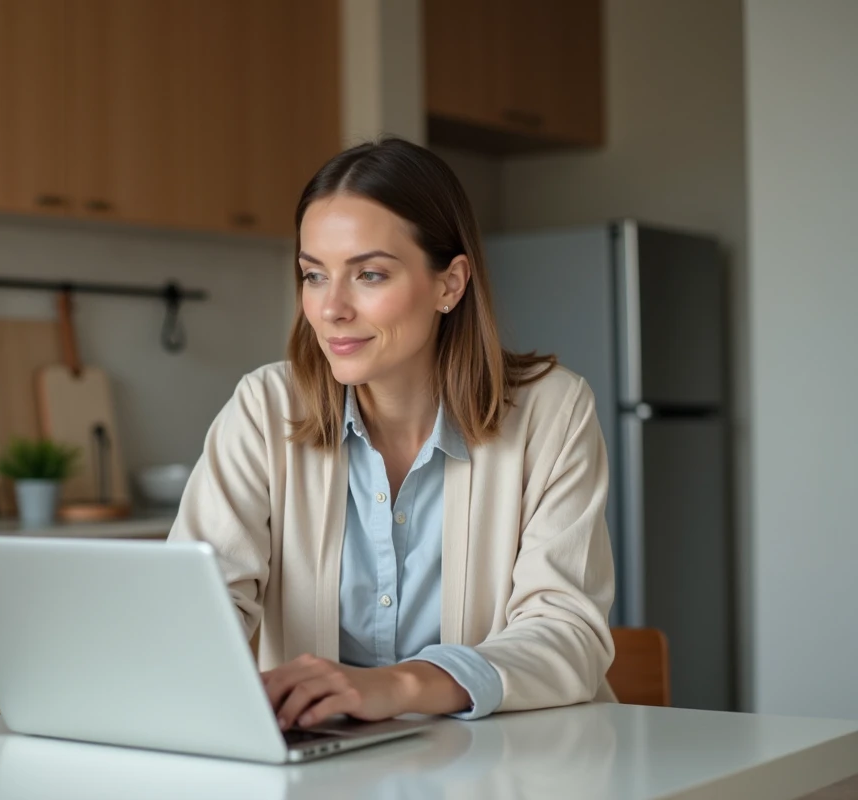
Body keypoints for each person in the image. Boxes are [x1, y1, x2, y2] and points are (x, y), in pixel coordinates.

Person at [167, 137, 615, 730]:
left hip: (512, 764)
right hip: (322, 771)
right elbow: (195, 604)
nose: (330, 309)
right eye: (314, 275)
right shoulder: (264, 408)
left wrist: (397, 686)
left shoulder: (552, 412)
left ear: (450, 284)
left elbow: (568, 632)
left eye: (369, 274)